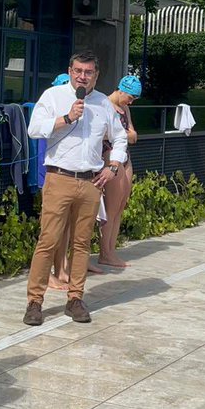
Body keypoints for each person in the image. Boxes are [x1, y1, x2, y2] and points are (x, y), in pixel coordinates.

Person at [24, 51, 128, 326]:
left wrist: (113, 167)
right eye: (78, 71)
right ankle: (35, 301)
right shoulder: (53, 96)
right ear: (70, 71)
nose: (83, 76)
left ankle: (75, 298)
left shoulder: (104, 103)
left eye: (89, 72)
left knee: (82, 244)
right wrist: (67, 118)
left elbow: (119, 138)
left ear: (96, 75)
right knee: (48, 241)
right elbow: (34, 129)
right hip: (59, 177)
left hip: (92, 181)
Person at [98, 75, 140, 268]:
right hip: (110, 155)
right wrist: (124, 134)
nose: (130, 102)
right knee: (112, 206)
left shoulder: (125, 109)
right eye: (130, 97)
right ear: (120, 90)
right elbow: (108, 134)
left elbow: (133, 136)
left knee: (121, 204)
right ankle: (105, 252)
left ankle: (111, 249)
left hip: (124, 156)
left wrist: (122, 134)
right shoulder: (104, 105)